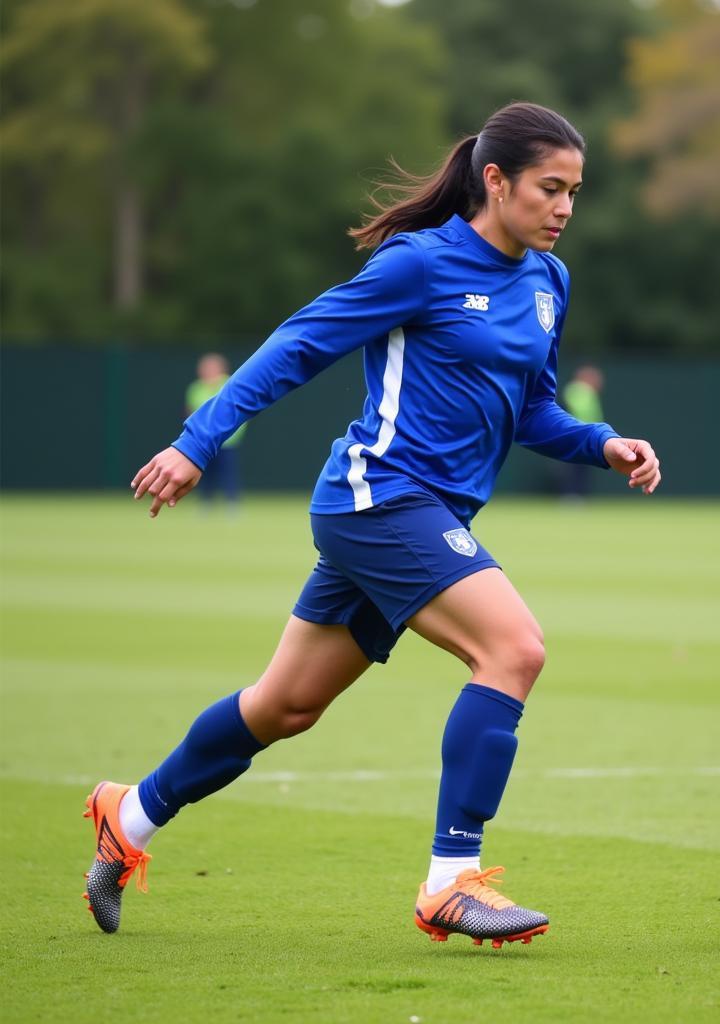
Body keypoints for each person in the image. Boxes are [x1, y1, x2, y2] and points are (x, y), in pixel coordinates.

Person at [81, 102, 661, 948]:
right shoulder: (418, 265)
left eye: (575, 191)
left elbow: (532, 409)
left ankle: (125, 818)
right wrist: (197, 441)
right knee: (513, 649)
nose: (565, 208)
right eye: (550, 188)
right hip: (379, 498)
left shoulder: (548, 281)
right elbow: (297, 345)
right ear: (494, 181)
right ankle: (451, 883)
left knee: (282, 707)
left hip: (419, 518)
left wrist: (602, 442)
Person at [185, 353, 246, 509]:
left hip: (227, 441)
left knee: (228, 474)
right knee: (204, 473)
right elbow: (191, 412)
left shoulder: (230, 384)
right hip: (203, 442)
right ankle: (205, 502)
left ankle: (232, 503)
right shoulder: (196, 388)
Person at [561, 365, 604, 498]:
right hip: (576, 436)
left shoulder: (589, 393)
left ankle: (577, 495)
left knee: (583, 469)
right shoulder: (575, 390)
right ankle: (571, 495)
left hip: (589, 437)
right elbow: (577, 413)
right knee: (573, 468)